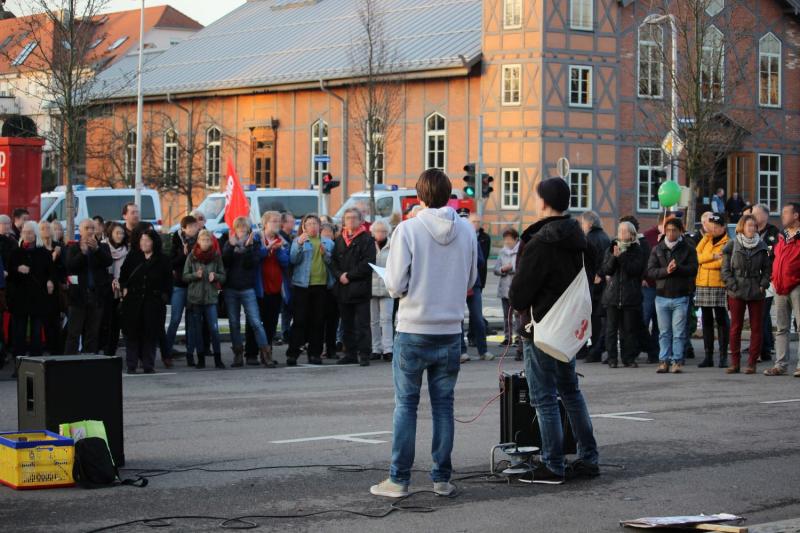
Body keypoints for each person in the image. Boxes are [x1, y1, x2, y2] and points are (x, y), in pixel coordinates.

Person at [371, 169, 477, 499]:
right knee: (444, 407)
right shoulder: (467, 231)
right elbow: (471, 280)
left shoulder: (408, 229)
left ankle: (399, 479)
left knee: (406, 405)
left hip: (414, 328)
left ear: (419, 196)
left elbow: (395, 284)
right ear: (449, 196)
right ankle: (442, 478)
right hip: (449, 329)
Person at [509, 177, 599, 484]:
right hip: (568, 327)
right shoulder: (579, 239)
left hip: (542, 327)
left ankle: (553, 464)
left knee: (544, 398)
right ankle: (588, 457)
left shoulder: (541, 243)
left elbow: (519, 295)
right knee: (571, 393)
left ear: (545, 203)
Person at [721, 215, 771, 374]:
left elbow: (767, 269)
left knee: (757, 327)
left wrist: (764, 284)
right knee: (736, 327)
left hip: (756, 289)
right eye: (749, 226)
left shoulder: (762, 246)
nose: (752, 229)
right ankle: (734, 363)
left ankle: (752, 362)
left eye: (754, 226)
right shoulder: (732, 244)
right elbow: (725, 269)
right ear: (742, 227)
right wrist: (731, 284)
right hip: (737, 288)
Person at [647, 218, 699, 374]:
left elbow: (693, 270)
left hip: (680, 295)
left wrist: (678, 268)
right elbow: (650, 271)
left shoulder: (688, 248)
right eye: (668, 230)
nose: (670, 233)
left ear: (680, 231)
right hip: (662, 296)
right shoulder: (657, 249)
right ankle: (663, 361)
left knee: (679, 332)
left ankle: (677, 361)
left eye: (674, 230)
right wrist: (666, 271)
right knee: (664, 332)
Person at [119, 229, 172, 374]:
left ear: (154, 242)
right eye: (142, 240)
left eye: (147, 240)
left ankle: (148, 364)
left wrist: (163, 297)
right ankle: (132, 364)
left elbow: (168, 282)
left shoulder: (163, 259)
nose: (144, 243)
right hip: (133, 302)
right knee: (132, 333)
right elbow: (123, 276)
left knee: (150, 333)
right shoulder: (133, 256)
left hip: (153, 303)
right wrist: (124, 288)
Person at [222, 216, 272, 368]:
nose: (242, 230)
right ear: (235, 229)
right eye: (239, 228)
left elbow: (252, 264)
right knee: (234, 323)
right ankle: (238, 354)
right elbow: (225, 262)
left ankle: (266, 354)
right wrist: (231, 247)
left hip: (247, 288)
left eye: (244, 228)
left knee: (256, 322)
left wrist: (249, 248)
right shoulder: (229, 242)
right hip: (231, 288)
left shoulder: (254, 243)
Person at [286, 214, 334, 366]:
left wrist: (325, 253)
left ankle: (315, 353)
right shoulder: (298, 240)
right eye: (309, 224)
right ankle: (293, 353)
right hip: (302, 285)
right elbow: (293, 260)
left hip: (321, 286)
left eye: (315, 223)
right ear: (304, 227)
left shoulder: (328, 242)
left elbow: (331, 262)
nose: (313, 226)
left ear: (320, 226)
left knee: (318, 321)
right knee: (299, 320)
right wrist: (299, 245)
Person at [332, 208, 376, 367]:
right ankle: (350, 353)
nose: (350, 221)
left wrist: (348, 276)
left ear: (360, 221)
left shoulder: (367, 239)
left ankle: (364, 354)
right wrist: (339, 275)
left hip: (360, 288)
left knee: (363, 324)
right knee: (347, 323)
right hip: (343, 288)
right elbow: (333, 262)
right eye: (347, 218)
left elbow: (368, 263)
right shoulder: (339, 240)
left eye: (353, 218)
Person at [7, 221, 54, 368]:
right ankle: (19, 364)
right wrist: (17, 269)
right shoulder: (15, 252)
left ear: (35, 234)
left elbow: (51, 272)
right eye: (24, 232)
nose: (26, 235)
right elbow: (9, 274)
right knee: (19, 332)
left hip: (37, 297)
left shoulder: (44, 253)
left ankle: (36, 363)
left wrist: (50, 281)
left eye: (30, 232)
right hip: (20, 298)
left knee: (36, 332)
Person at [245, 211, 288, 367]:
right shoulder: (256, 238)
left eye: (279, 221)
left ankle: (266, 353)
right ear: (265, 223)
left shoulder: (282, 240)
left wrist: (279, 249)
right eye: (274, 221)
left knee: (271, 323)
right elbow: (253, 259)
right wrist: (267, 248)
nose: (277, 224)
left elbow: (285, 262)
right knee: (254, 323)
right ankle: (250, 354)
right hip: (259, 288)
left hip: (275, 288)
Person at [602, 221, 646, 368]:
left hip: (630, 295)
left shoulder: (637, 250)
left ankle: (628, 358)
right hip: (613, 295)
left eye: (624, 231)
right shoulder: (611, 247)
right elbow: (607, 270)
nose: (621, 234)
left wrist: (621, 257)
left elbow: (635, 270)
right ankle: (612, 358)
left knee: (629, 330)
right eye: (619, 231)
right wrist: (615, 257)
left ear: (632, 234)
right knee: (611, 330)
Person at [65, 219, 112, 355]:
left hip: (96, 295)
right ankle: (69, 361)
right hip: (78, 296)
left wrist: (96, 250)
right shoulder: (73, 247)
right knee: (74, 332)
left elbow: (108, 262)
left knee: (93, 332)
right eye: (87, 228)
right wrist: (83, 254)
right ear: (80, 230)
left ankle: (89, 359)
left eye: (92, 228)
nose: (90, 231)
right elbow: (70, 266)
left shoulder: (102, 247)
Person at [764, 203, 800, 377]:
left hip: (797, 286)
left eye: (786, 212)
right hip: (780, 286)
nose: (782, 216)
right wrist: (773, 278)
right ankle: (780, 365)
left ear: (796, 216)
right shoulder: (782, 237)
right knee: (781, 328)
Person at [183, 229, 227, 370]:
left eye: (208, 240)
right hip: (195, 298)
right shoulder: (192, 256)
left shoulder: (216, 256)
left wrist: (216, 277)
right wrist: (195, 275)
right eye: (203, 240)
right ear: (198, 241)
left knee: (214, 329)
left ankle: (218, 359)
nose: (205, 242)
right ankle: (200, 359)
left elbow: (223, 275)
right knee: (197, 330)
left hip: (211, 298)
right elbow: (185, 276)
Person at [695, 214, 730, 368]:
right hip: (703, 284)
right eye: (712, 227)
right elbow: (697, 256)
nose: (714, 230)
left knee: (722, 320)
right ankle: (708, 356)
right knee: (707, 321)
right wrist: (712, 256)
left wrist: (706, 262)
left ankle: (723, 356)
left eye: (717, 227)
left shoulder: (728, 242)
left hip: (718, 284)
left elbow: (722, 263)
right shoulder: (707, 239)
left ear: (723, 227)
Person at [165, 215, 199, 366]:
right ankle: (167, 351)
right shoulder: (176, 240)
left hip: (194, 285)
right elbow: (171, 263)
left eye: (195, 226)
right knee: (175, 319)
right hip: (179, 284)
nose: (193, 229)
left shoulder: (201, 239)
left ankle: (190, 353)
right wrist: (183, 254)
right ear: (184, 229)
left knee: (192, 321)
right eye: (190, 227)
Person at [579, 211, 611, 363]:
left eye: (583, 223)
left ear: (590, 224)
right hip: (603, 281)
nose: (582, 226)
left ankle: (590, 350)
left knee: (589, 317)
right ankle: (597, 348)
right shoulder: (606, 237)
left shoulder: (588, 239)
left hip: (591, 282)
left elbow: (585, 262)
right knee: (598, 317)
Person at [752, 203, 780, 362]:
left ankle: (763, 348)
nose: (753, 217)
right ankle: (766, 347)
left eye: (756, 214)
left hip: (768, 279)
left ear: (765, 215)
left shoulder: (774, 232)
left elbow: (774, 256)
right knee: (762, 315)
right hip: (753, 279)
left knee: (762, 314)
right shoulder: (751, 231)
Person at [38, 219, 65, 355]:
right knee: (46, 321)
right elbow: (41, 269)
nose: (46, 230)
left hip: (57, 288)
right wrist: (53, 257)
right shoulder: (38, 248)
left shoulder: (58, 246)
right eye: (42, 228)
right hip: (42, 289)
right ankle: (49, 347)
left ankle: (58, 350)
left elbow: (63, 268)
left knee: (56, 320)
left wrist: (58, 256)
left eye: (48, 228)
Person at [369, 220, 393, 362]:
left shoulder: (392, 246)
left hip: (386, 286)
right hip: (371, 286)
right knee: (373, 320)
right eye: (378, 231)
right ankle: (375, 348)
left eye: (383, 231)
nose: (380, 234)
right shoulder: (369, 246)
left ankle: (388, 348)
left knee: (387, 319)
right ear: (373, 232)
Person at [103, 223, 128, 357]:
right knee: (107, 323)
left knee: (118, 323)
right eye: (117, 233)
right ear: (111, 233)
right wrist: (111, 280)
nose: (120, 236)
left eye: (122, 233)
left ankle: (113, 353)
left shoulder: (127, 249)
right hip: (106, 290)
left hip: (121, 291)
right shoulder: (103, 246)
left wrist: (121, 282)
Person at [494, 228, 519, 347]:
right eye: (505, 239)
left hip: (517, 288)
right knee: (506, 316)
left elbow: (522, 268)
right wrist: (502, 270)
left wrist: (512, 268)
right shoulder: (502, 252)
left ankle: (519, 337)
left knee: (518, 315)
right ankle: (507, 337)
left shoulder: (520, 251)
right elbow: (496, 269)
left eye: (510, 239)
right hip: (504, 289)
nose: (507, 242)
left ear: (516, 239)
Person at [319, 222, 340, 359]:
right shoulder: (315, 244)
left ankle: (331, 348)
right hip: (319, 286)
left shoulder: (334, 247)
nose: (326, 237)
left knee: (332, 321)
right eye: (324, 234)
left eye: (329, 234)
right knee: (320, 321)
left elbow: (335, 264)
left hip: (332, 287)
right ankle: (320, 348)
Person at [278, 212, 296, 344]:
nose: (293, 223)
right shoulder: (281, 238)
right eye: (291, 221)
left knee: (289, 307)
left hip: (290, 276)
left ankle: (287, 332)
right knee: (287, 305)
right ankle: (285, 332)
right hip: (284, 277)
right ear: (283, 223)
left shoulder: (290, 237)